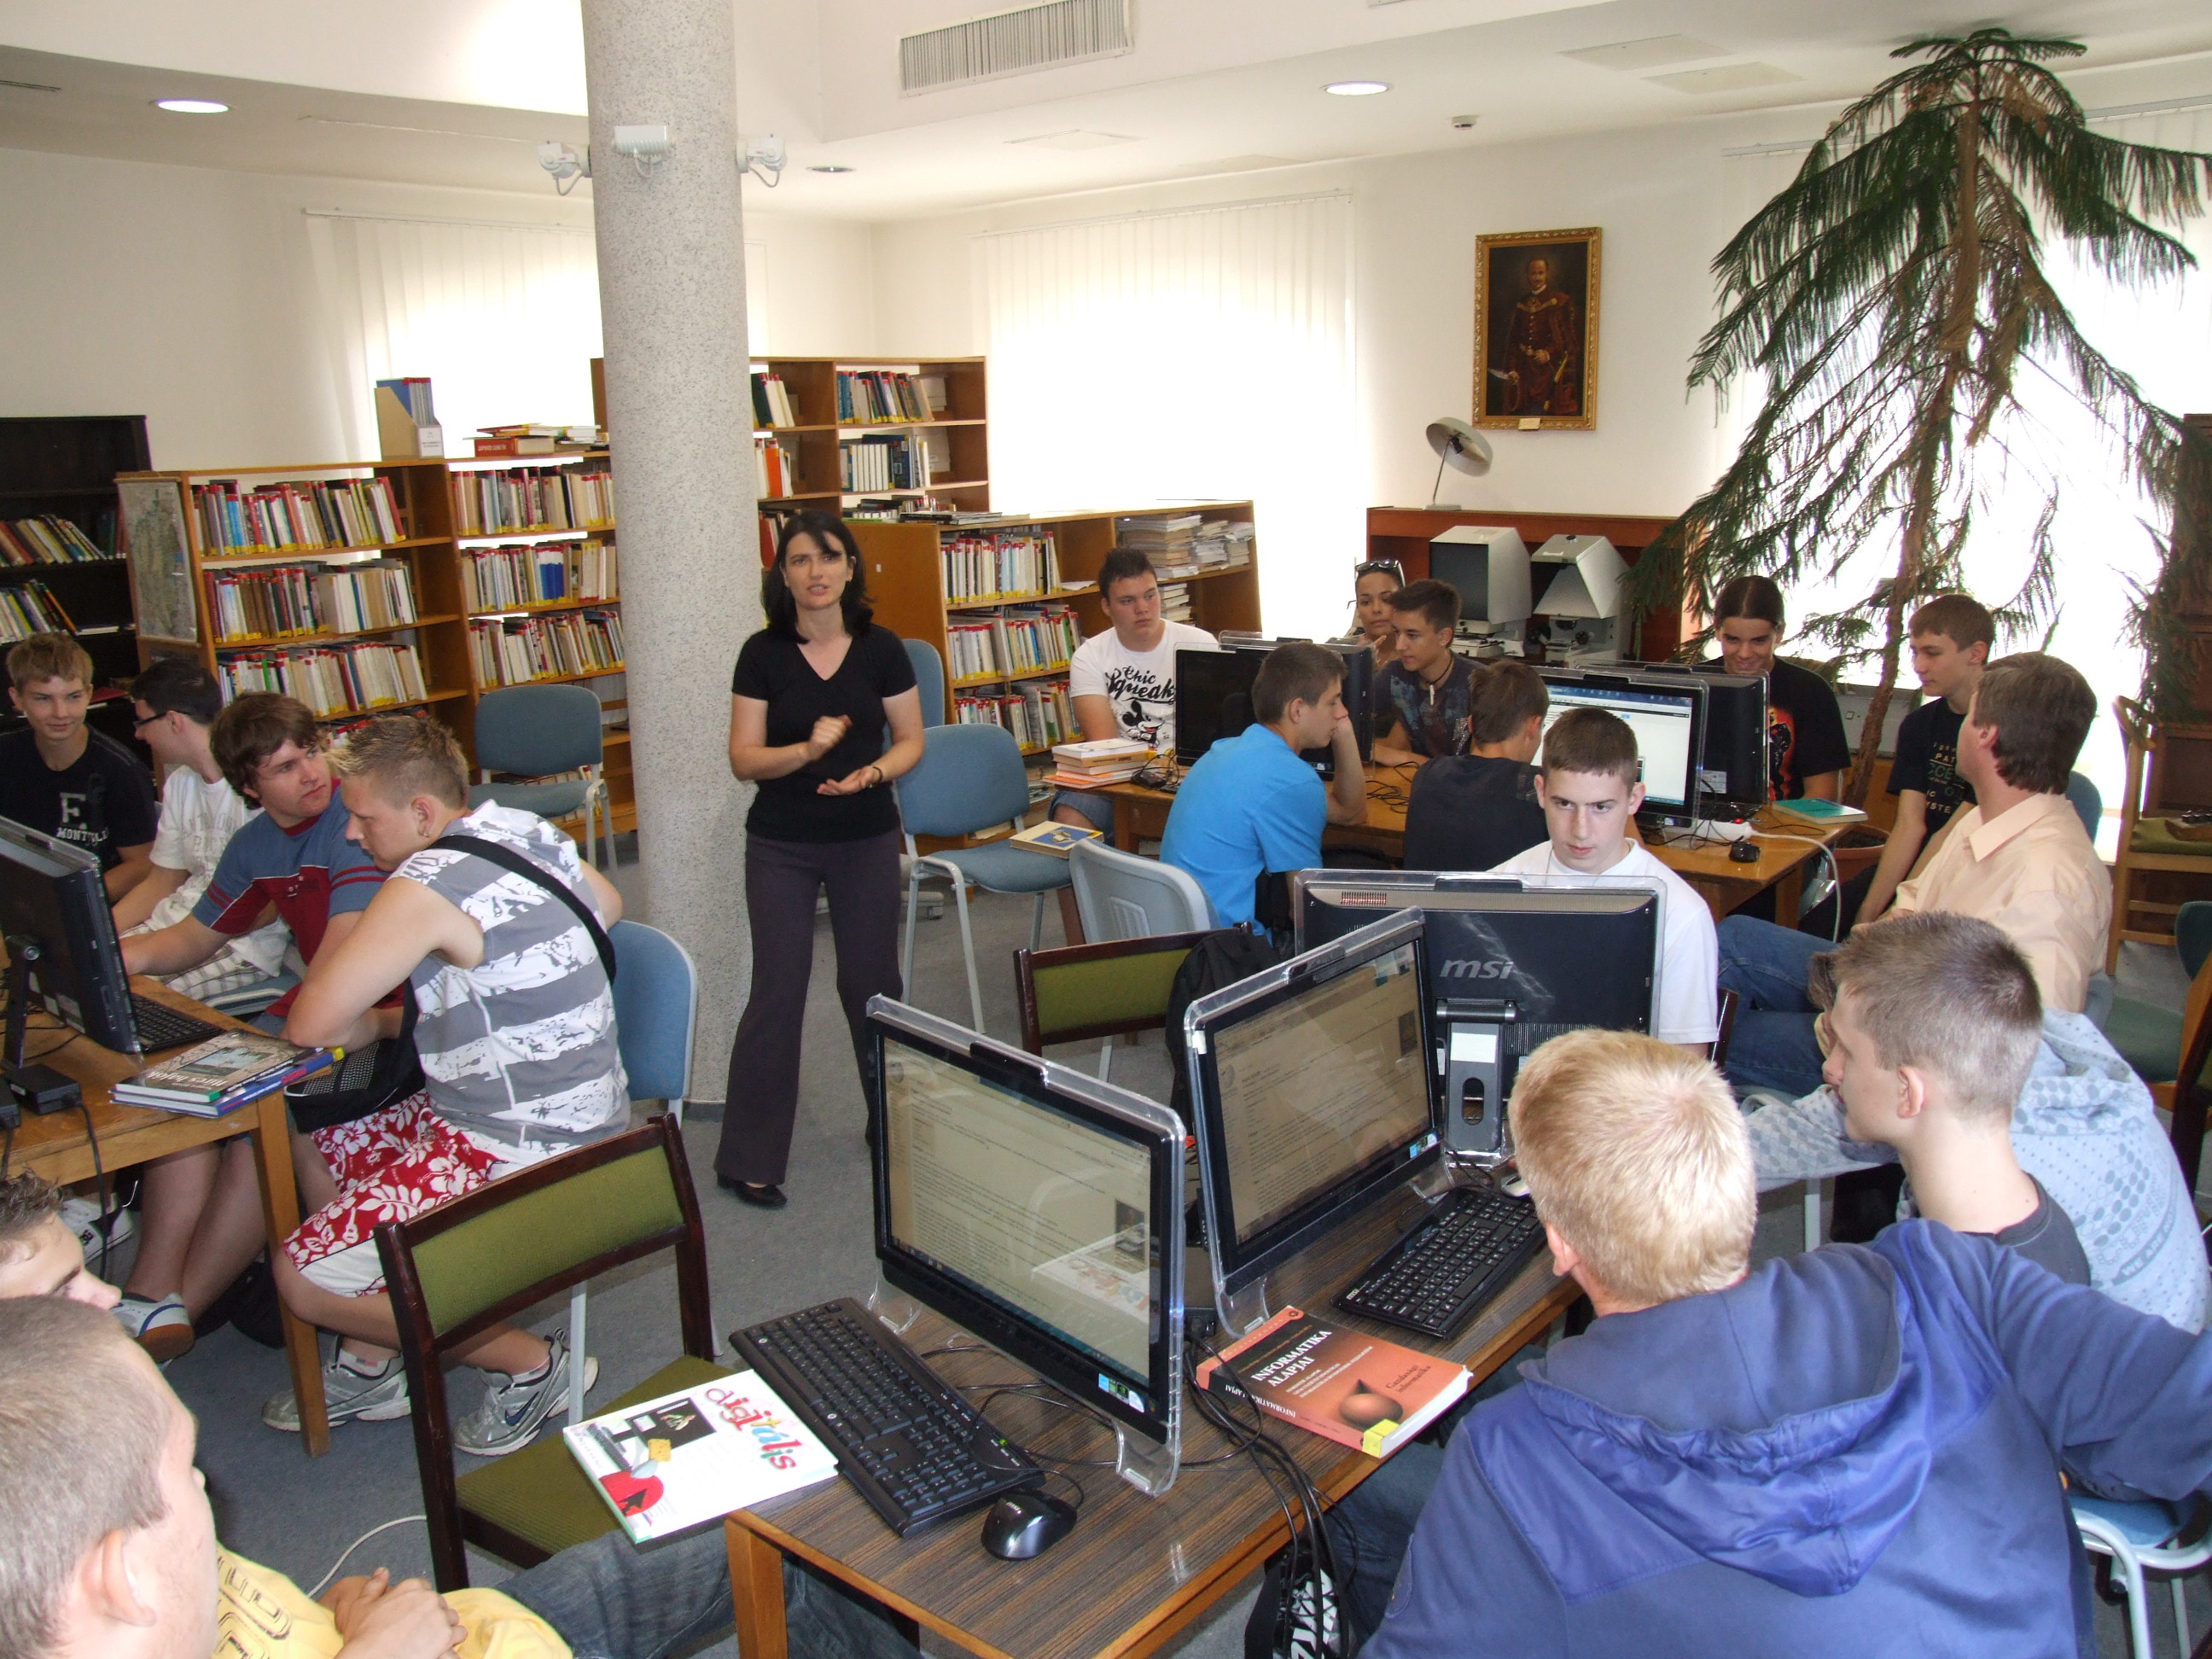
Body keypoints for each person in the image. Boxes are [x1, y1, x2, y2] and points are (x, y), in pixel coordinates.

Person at [1336, 1028, 2212, 1659]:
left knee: (1359, 1489)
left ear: (1561, 1244)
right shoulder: (1957, 1281)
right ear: (1742, 1194)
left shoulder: (1515, 1460)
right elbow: (2185, 1409)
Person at [0, 1296, 923, 1659]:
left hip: (485, 1629)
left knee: (799, 1499)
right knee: (804, 1524)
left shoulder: (127, 1590)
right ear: (120, 1578)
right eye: (190, 1478)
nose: (211, 1491)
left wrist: (348, 1626)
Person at [271, 714, 626, 1453]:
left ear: (422, 813)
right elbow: (607, 906)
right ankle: (373, 1353)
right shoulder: (519, 827)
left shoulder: (424, 882)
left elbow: (309, 1025)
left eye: (363, 817)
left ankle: (531, 1366)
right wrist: (404, 1018)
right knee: (331, 1136)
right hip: (586, 1121)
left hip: (520, 1149)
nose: (350, 835)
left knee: (300, 1278)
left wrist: (367, 960)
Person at [1744, 919, 2207, 1331]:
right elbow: (1807, 1132)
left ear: (1909, 1090)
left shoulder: (2001, 1229)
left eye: (1846, 1049)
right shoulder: (1987, 1065)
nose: (1829, 1069)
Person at [114, 693, 391, 1364]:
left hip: (374, 1011)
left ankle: (165, 1324)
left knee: (254, 1122)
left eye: (311, 752)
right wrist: (116, 959)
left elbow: (343, 970)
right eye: (284, 768)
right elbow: (193, 938)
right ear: (249, 788)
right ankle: (151, 1298)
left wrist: (272, 1047)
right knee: (184, 1101)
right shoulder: (256, 843)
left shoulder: (352, 824)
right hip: (313, 1006)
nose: (312, 773)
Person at [1719, 651, 2110, 1100]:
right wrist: (1862, 971)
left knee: (1712, 1034)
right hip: (1889, 993)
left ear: (1986, 734)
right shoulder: (1986, 818)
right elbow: (1910, 907)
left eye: (1969, 717)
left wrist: (1853, 1032)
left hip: (1904, 1052)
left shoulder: (2049, 884)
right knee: (1734, 938)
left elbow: (2029, 1057)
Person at [717, 511, 923, 1211]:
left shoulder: (882, 648)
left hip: (865, 835)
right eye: (801, 560)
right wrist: (805, 751)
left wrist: (873, 773)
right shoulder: (762, 653)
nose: (816, 572)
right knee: (779, 988)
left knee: (873, 984)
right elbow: (744, 759)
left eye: (829, 557)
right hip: (782, 843)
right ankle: (749, 1156)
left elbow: (910, 739)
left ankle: (890, 1125)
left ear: (849, 567)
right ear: (783, 574)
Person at [1487, 707, 1718, 1051]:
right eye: (1565, 804)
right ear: (1541, 791)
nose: (1580, 830)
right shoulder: (1498, 887)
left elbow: (1686, 1064)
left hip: (1622, 1082)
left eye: (1601, 807)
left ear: (1634, 799)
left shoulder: (1680, 915)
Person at [109, 655, 291, 1004]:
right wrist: (98, 935)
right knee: (89, 972)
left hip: (236, 942)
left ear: (173, 721)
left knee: (124, 1001)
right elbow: (162, 882)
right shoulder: (180, 783)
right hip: (176, 924)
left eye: (143, 722)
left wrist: (176, 939)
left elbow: (265, 909)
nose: (138, 734)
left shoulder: (255, 787)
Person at [1159, 643, 1365, 928]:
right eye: (1334, 701)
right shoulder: (1294, 781)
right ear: (1297, 710)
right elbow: (1304, 910)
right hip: (1230, 946)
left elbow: (1350, 813)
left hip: (1182, 933)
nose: (1342, 712)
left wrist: (1343, 730)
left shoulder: (1224, 750)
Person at [1052, 546, 1220, 842]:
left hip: (1191, 775)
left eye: (1150, 595)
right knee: (1069, 817)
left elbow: (1214, 735)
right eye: (1127, 601)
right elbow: (1106, 747)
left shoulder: (1200, 645)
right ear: (1106, 606)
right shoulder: (1090, 656)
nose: (1143, 608)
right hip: (1121, 780)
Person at [1858, 593, 1992, 925]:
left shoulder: (1997, 728)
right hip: (1918, 862)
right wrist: (1867, 915)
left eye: (1932, 653)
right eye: (1915, 652)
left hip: (1972, 873)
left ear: (1976, 653)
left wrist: (1897, 911)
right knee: (1830, 923)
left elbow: (1951, 836)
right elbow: (1909, 826)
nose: (1919, 666)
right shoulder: (1919, 724)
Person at [0, 631, 156, 899]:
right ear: (17, 699)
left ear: (89, 694)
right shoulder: (6, 754)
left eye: (73, 697)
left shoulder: (121, 770)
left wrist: (68, 900)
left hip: (91, 900)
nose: (60, 713)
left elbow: (141, 865)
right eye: (43, 698)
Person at [1700, 575, 1850, 803]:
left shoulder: (1810, 692)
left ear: (1779, 633)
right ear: (1717, 630)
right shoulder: (1694, 684)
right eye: (1733, 640)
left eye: (1758, 641)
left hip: (1783, 821)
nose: (1744, 654)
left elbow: (1823, 797)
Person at [1400, 659, 1548, 870]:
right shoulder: (1540, 790)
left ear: (1470, 724)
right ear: (1533, 727)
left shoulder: (1428, 774)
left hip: (1429, 893)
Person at [1372, 580, 1478, 765]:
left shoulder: (1481, 684)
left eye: (1412, 635)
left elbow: (1484, 769)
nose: (1400, 646)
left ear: (1444, 637)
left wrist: (1410, 759)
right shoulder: (1394, 675)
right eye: (1397, 633)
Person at [1503, 255, 1580, 416]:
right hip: (1524, 370)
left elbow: (1565, 338)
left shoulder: (1558, 301)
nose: (1537, 278)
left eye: (1540, 273)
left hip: (1547, 371)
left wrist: (1548, 353)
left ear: (1547, 274)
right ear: (1528, 275)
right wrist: (1512, 368)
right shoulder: (1522, 302)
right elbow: (1514, 340)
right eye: (1533, 273)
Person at [1340, 558, 1406, 680]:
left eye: (1386, 600)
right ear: (1358, 609)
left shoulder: (1418, 654)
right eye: (1365, 602)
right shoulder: (1339, 657)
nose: (1376, 609)